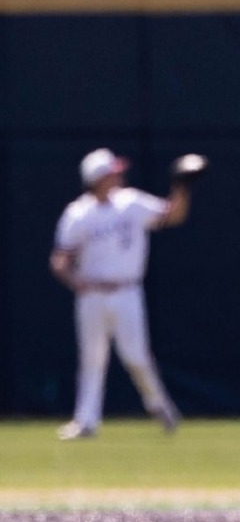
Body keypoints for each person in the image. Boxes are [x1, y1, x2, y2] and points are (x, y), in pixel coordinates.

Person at [49, 148, 198, 440]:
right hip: (92, 294)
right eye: (113, 172)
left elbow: (173, 215)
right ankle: (86, 422)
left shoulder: (130, 202)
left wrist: (182, 187)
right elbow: (60, 258)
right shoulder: (78, 213)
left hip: (127, 290)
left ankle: (161, 407)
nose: (119, 174)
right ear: (98, 178)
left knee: (136, 357)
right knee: (92, 360)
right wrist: (72, 279)